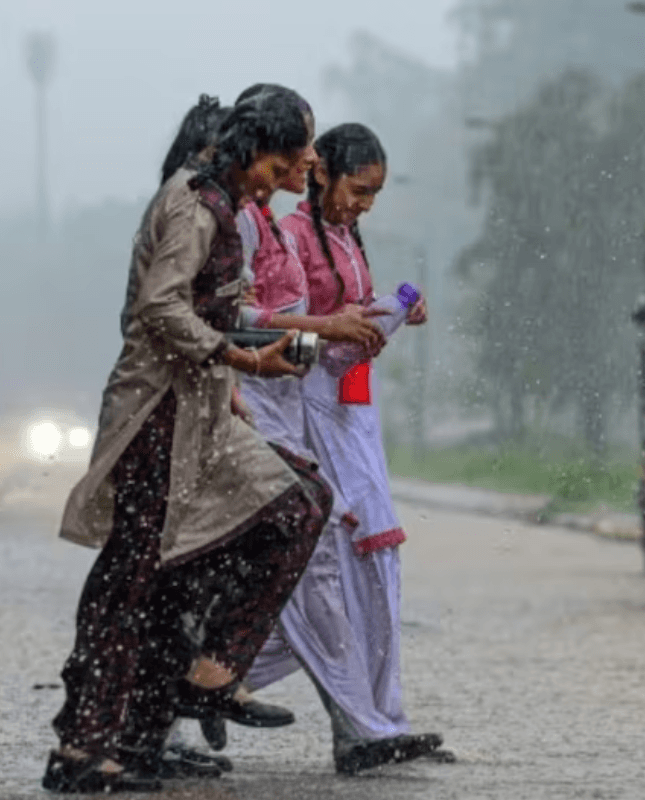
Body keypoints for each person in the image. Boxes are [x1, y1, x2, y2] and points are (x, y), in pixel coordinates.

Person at [43, 91, 332, 794]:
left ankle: (203, 680)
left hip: (201, 412)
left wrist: (237, 371)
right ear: (246, 149)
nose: (283, 176)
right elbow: (158, 307)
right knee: (133, 580)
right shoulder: (196, 205)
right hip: (156, 418)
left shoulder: (225, 205)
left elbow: (211, 309)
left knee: (295, 505)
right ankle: (85, 749)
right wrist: (243, 362)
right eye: (279, 162)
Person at [246, 122, 446, 774]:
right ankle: (357, 722)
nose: (364, 205)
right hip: (306, 413)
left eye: (374, 196)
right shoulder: (286, 237)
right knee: (334, 568)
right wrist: (337, 332)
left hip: (354, 412)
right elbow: (280, 331)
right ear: (321, 172)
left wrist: (386, 311)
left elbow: (344, 318)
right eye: (359, 190)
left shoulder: (340, 237)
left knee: (373, 569)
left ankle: (380, 720)